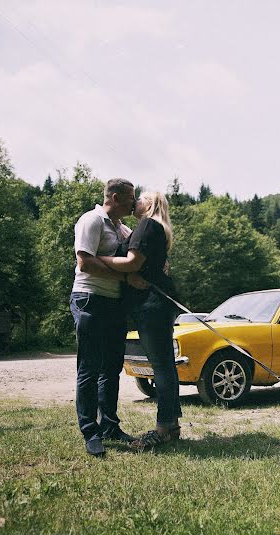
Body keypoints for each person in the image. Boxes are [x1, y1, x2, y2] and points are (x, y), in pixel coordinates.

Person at [99, 191, 182, 448]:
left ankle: (164, 427)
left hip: (151, 304)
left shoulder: (147, 225)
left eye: (141, 197)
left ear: (151, 204)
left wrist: (98, 259)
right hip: (156, 304)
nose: (135, 202)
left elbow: (133, 263)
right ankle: (171, 424)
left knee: (161, 365)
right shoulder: (154, 228)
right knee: (164, 364)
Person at [70, 178, 146, 457]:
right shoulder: (91, 221)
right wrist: (125, 276)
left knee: (111, 367)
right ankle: (90, 430)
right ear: (115, 197)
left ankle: (110, 425)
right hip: (89, 299)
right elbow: (85, 262)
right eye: (131, 198)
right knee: (89, 367)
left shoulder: (122, 228)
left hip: (114, 304)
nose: (133, 203)